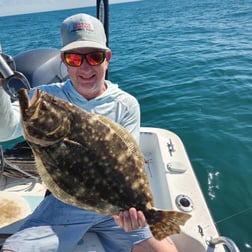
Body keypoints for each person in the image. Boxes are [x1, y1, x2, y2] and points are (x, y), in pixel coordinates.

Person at [0, 13, 178, 252]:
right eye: (74, 58)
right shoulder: (45, 97)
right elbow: (4, 130)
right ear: (63, 60)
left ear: (107, 59)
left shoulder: (126, 104)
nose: (85, 67)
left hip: (117, 205)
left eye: (95, 57)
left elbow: (128, 164)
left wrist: (135, 211)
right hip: (64, 202)